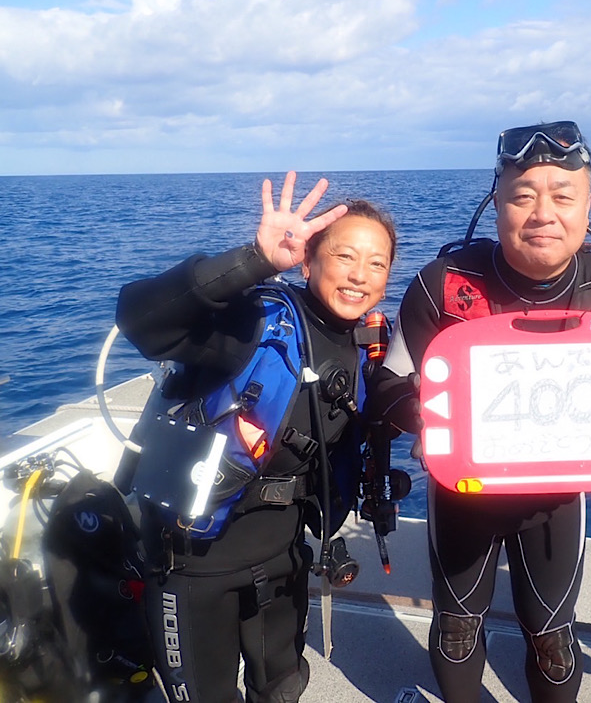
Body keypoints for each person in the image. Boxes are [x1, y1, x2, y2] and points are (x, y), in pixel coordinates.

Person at [367, 121, 591, 702]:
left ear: (587, 203)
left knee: (553, 639)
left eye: (563, 196)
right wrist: (423, 420)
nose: (543, 213)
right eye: (522, 195)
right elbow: (390, 382)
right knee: (456, 633)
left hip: (556, 506)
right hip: (462, 498)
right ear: (496, 202)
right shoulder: (443, 285)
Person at [115, 172, 396, 703]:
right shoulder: (256, 323)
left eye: (377, 263)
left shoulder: (366, 344)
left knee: (283, 688)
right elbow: (140, 320)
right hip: (195, 560)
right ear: (309, 260)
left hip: (284, 559)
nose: (360, 275)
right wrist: (254, 259)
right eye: (344, 257)